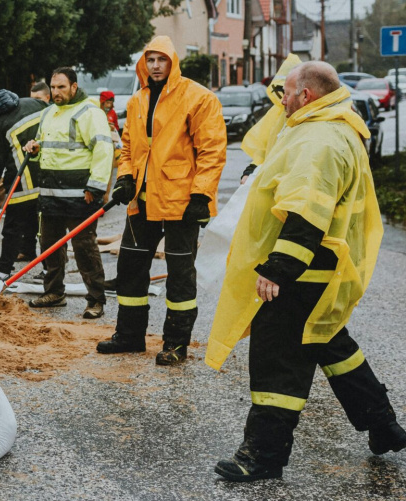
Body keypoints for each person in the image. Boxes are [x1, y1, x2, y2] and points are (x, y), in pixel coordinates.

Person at [208, 61, 406, 481]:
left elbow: (306, 214)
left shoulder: (319, 139)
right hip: (323, 267)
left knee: (278, 359)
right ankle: (383, 425)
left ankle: (263, 457)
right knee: (329, 343)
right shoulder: (331, 127)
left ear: (307, 95)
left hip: (301, 269)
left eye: (286, 93)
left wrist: (277, 269)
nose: (281, 100)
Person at [97, 36, 227, 364]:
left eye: (161, 60)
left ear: (172, 62)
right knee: (130, 267)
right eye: (150, 60)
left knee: (180, 274)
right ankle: (129, 336)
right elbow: (128, 147)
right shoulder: (138, 100)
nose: (155, 66)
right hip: (142, 202)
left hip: (182, 204)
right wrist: (125, 176)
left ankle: (175, 343)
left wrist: (201, 196)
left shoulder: (198, 98)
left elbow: (212, 151)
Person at [22, 67, 113, 319]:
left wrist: (95, 188)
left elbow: (103, 150)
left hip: (79, 196)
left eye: (61, 87)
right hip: (51, 194)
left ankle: (95, 299)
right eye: (53, 87)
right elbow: (47, 146)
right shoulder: (48, 112)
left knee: (85, 248)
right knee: (49, 246)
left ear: (74, 86)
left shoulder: (90, 112)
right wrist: (35, 147)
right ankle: (54, 292)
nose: (56, 92)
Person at [0, 83, 48, 280]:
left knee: (13, 228)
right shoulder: (33, 103)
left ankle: (4, 272)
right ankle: (50, 271)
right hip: (48, 174)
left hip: (21, 182)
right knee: (44, 226)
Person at [240, 55, 302, 185]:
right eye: (281, 92)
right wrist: (252, 169)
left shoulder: (313, 120)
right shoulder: (278, 113)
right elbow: (265, 149)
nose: (283, 100)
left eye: (288, 93)